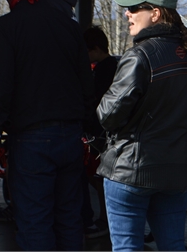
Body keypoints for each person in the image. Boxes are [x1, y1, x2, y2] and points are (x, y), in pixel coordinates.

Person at [0, 0, 94, 251]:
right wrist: (88, 132)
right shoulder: (69, 26)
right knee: (69, 219)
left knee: (34, 222)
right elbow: (87, 85)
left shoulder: (9, 27)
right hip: (71, 137)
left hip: (31, 140)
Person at [96, 0, 187, 251]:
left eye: (134, 8)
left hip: (131, 171)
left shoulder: (139, 56)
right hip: (177, 171)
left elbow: (107, 114)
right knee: (173, 245)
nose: (127, 13)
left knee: (127, 247)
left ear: (156, 13)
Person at [81, 26, 119, 238]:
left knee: (100, 179)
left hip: (101, 135)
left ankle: (106, 220)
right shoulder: (112, 66)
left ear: (94, 49)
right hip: (104, 133)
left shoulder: (104, 70)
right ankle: (107, 219)